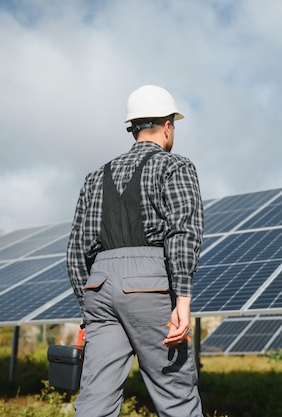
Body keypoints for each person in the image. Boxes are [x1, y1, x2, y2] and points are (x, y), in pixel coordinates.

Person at [66, 84, 204, 417]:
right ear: (168, 125)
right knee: (175, 393)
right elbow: (184, 231)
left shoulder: (95, 176)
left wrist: (90, 306)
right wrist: (182, 300)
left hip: (98, 285)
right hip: (149, 283)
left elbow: (76, 251)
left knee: (95, 399)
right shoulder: (175, 167)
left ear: (134, 127)